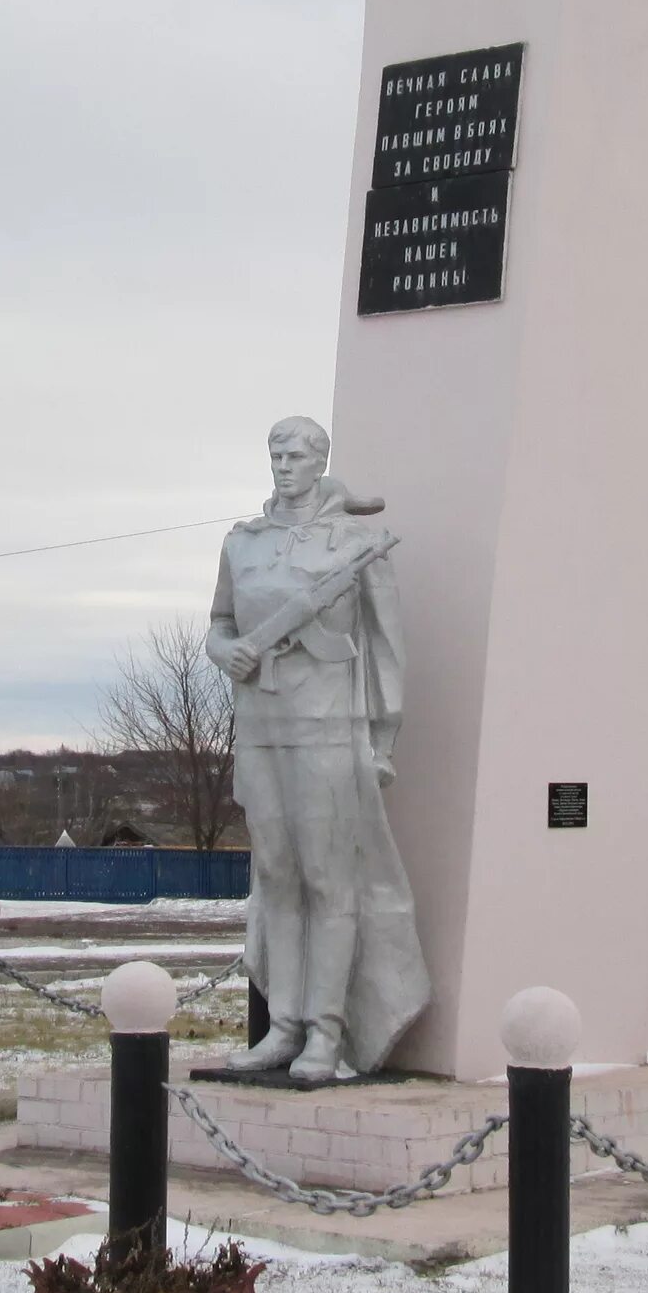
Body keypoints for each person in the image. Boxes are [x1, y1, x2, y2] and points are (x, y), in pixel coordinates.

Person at [207, 416, 432, 1082]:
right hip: (261, 723)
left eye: (297, 454)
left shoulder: (357, 544)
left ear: (320, 460)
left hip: (330, 725)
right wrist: (231, 651)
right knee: (276, 872)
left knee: (327, 878)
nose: (283, 464)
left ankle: (326, 1034)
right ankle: (283, 1025)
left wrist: (382, 737)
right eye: (275, 453)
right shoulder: (242, 544)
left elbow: (387, 646)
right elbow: (218, 622)